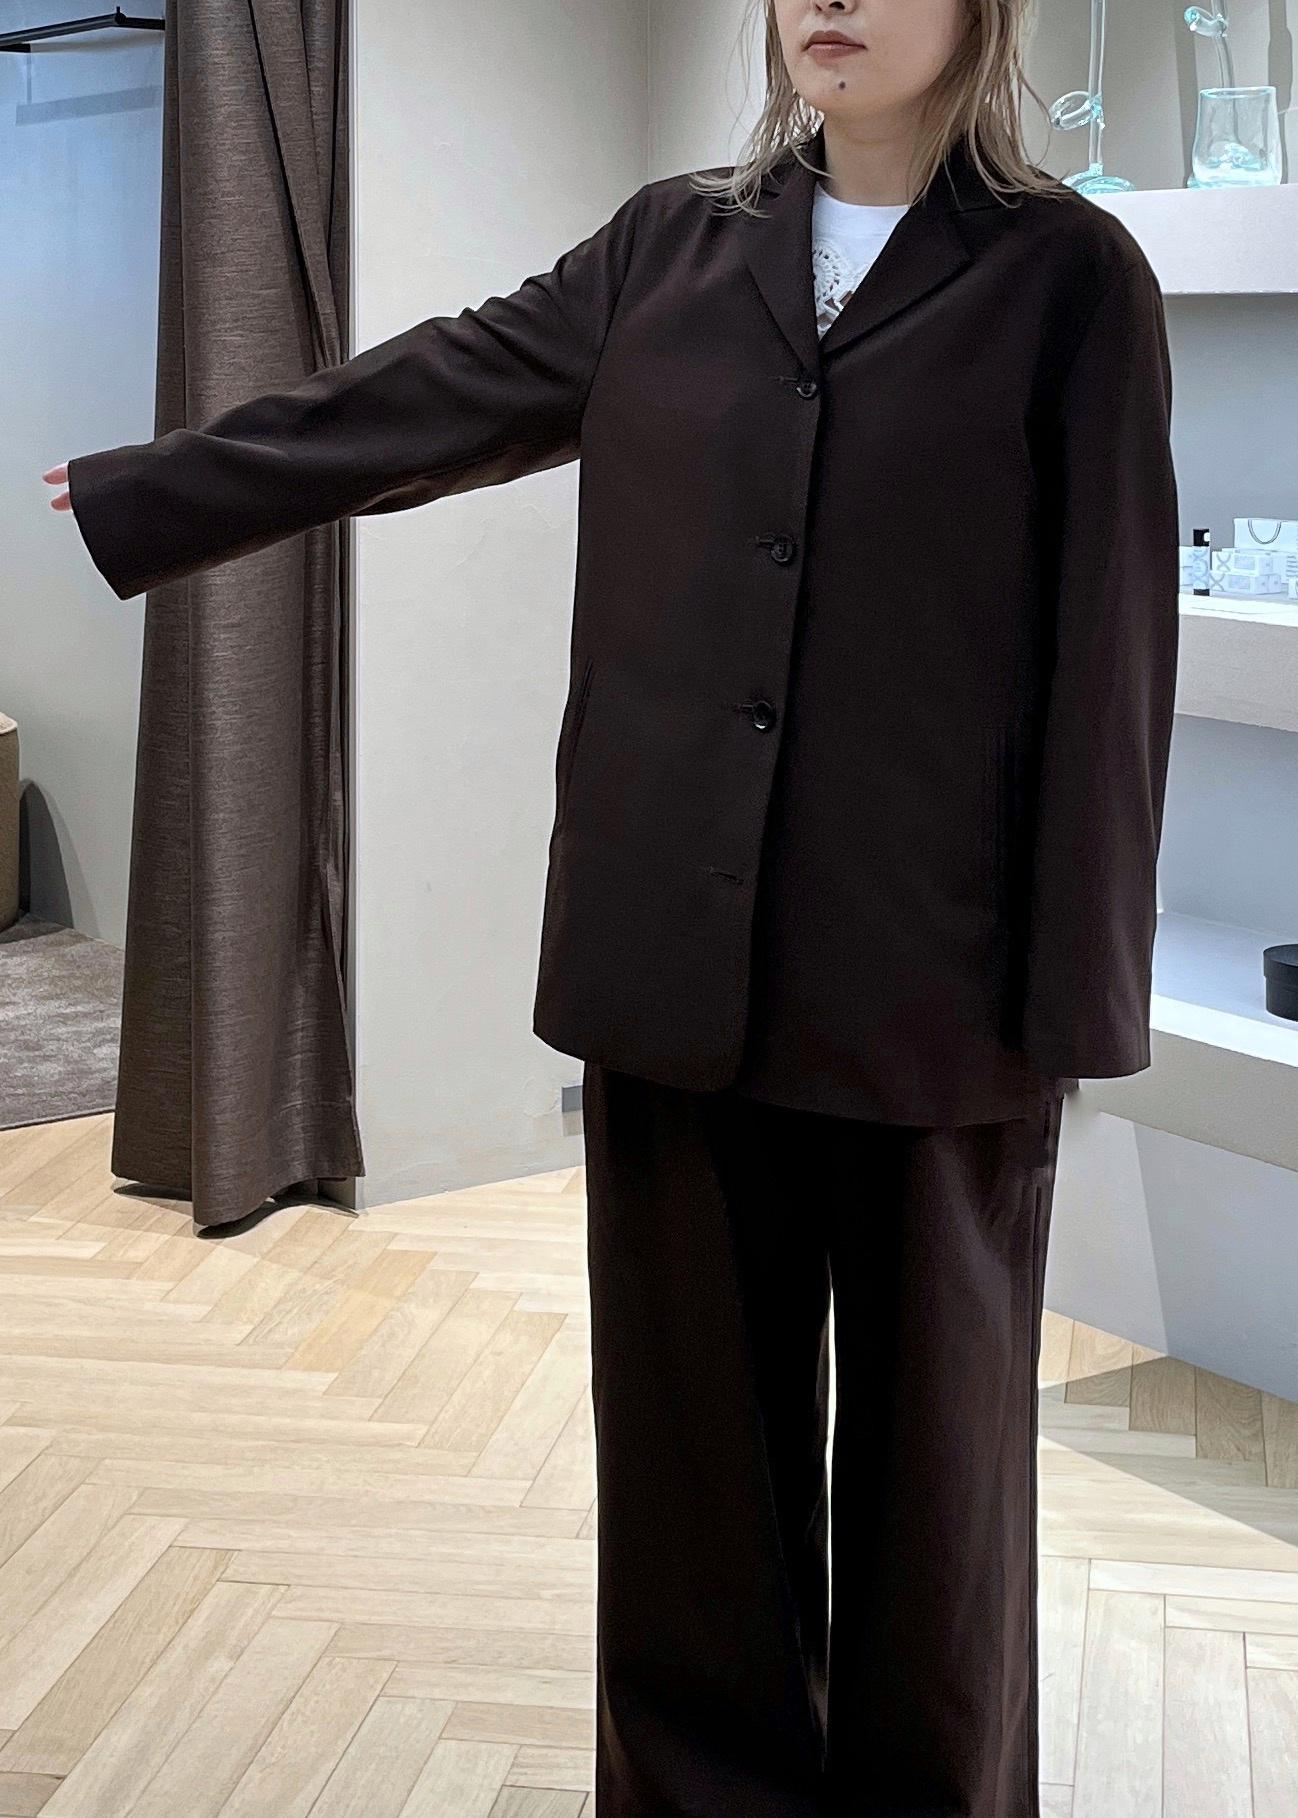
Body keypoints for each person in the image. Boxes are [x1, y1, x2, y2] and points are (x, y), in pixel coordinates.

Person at [44, 1, 1180, 1812]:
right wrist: (165, 486)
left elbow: (1113, 647)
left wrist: (1073, 999)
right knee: (687, 1487)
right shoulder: (668, 245)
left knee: (937, 1502)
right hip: (671, 970)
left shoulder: (1068, 279)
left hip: (937, 998)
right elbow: (434, 393)